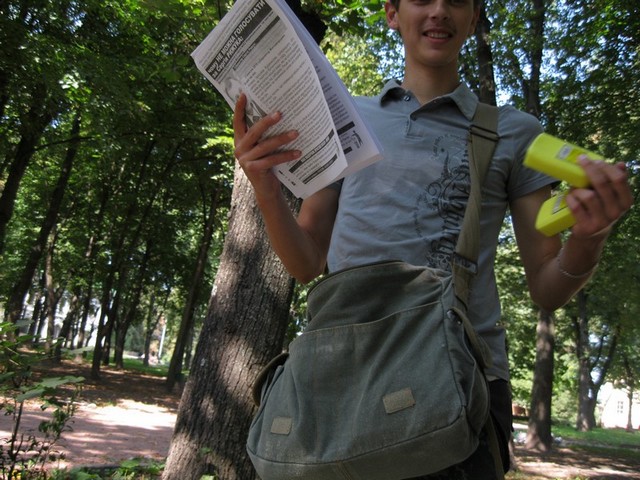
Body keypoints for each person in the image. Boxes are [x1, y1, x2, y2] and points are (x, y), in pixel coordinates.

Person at [233, 0, 633, 478]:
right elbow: (306, 262)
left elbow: (548, 287)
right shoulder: (344, 120)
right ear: (392, 13)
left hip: (460, 385)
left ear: (473, 16)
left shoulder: (514, 133)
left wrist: (589, 238)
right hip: (344, 376)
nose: (439, 10)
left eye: (456, 0)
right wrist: (265, 189)